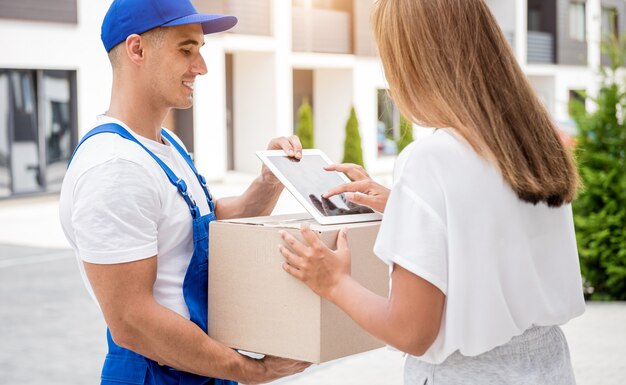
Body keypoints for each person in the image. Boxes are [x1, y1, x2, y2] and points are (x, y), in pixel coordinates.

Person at [277, 0, 586, 384]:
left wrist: (333, 281)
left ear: (414, 62)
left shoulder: (429, 159)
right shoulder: (535, 144)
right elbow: (499, 231)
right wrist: (407, 209)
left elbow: (411, 332)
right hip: (550, 369)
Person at [59, 0, 310, 384]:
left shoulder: (167, 145)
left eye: (200, 51)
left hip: (200, 366)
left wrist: (269, 180)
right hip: (157, 374)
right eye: (186, 50)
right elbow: (132, 321)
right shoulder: (115, 168)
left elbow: (210, 223)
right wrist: (251, 370)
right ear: (137, 49)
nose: (202, 67)